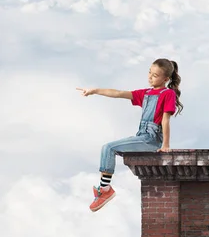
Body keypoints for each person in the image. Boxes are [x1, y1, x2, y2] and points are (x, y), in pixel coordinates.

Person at [76, 58, 183, 212]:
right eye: (149, 73)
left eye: (155, 75)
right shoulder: (145, 93)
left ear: (166, 79)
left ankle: (105, 190)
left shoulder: (168, 94)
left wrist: (165, 145)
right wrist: (94, 91)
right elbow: (118, 93)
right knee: (107, 148)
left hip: (152, 139)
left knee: (108, 147)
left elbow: (165, 120)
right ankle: (104, 188)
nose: (150, 77)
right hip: (141, 136)